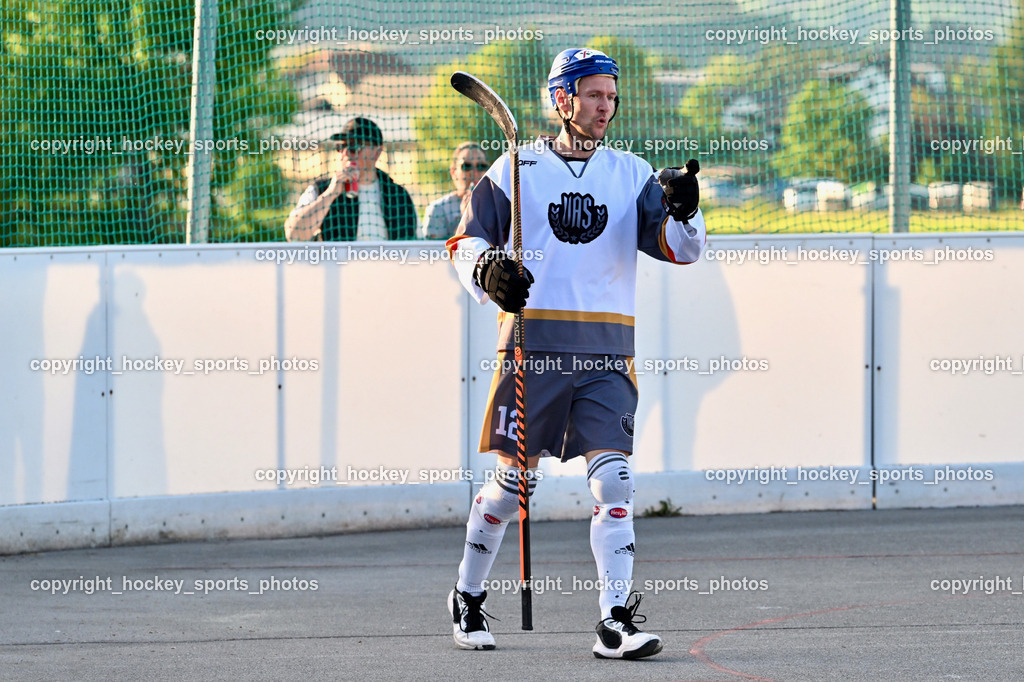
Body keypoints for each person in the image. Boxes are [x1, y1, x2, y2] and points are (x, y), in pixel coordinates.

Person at [443, 48, 706, 659]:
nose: (604, 107)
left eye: (611, 96)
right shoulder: (517, 166)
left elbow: (679, 250)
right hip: (533, 349)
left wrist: (687, 211)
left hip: (607, 351)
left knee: (615, 480)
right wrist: (487, 269)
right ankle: (467, 594)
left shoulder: (630, 172)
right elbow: (465, 240)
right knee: (513, 487)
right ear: (562, 100)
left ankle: (615, 620)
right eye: (593, 95)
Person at [284, 117, 418, 241]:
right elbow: (293, 235)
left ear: (376, 152)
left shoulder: (398, 195)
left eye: (354, 147)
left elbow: (418, 244)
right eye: (341, 147)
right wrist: (331, 194)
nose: (346, 153)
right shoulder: (322, 189)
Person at [421, 142, 489, 239]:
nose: (474, 173)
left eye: (481, 166)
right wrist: (466, 219)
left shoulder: (497, 206)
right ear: (453, 172)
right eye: (467, 166)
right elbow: (434, 252)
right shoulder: (438, 209)